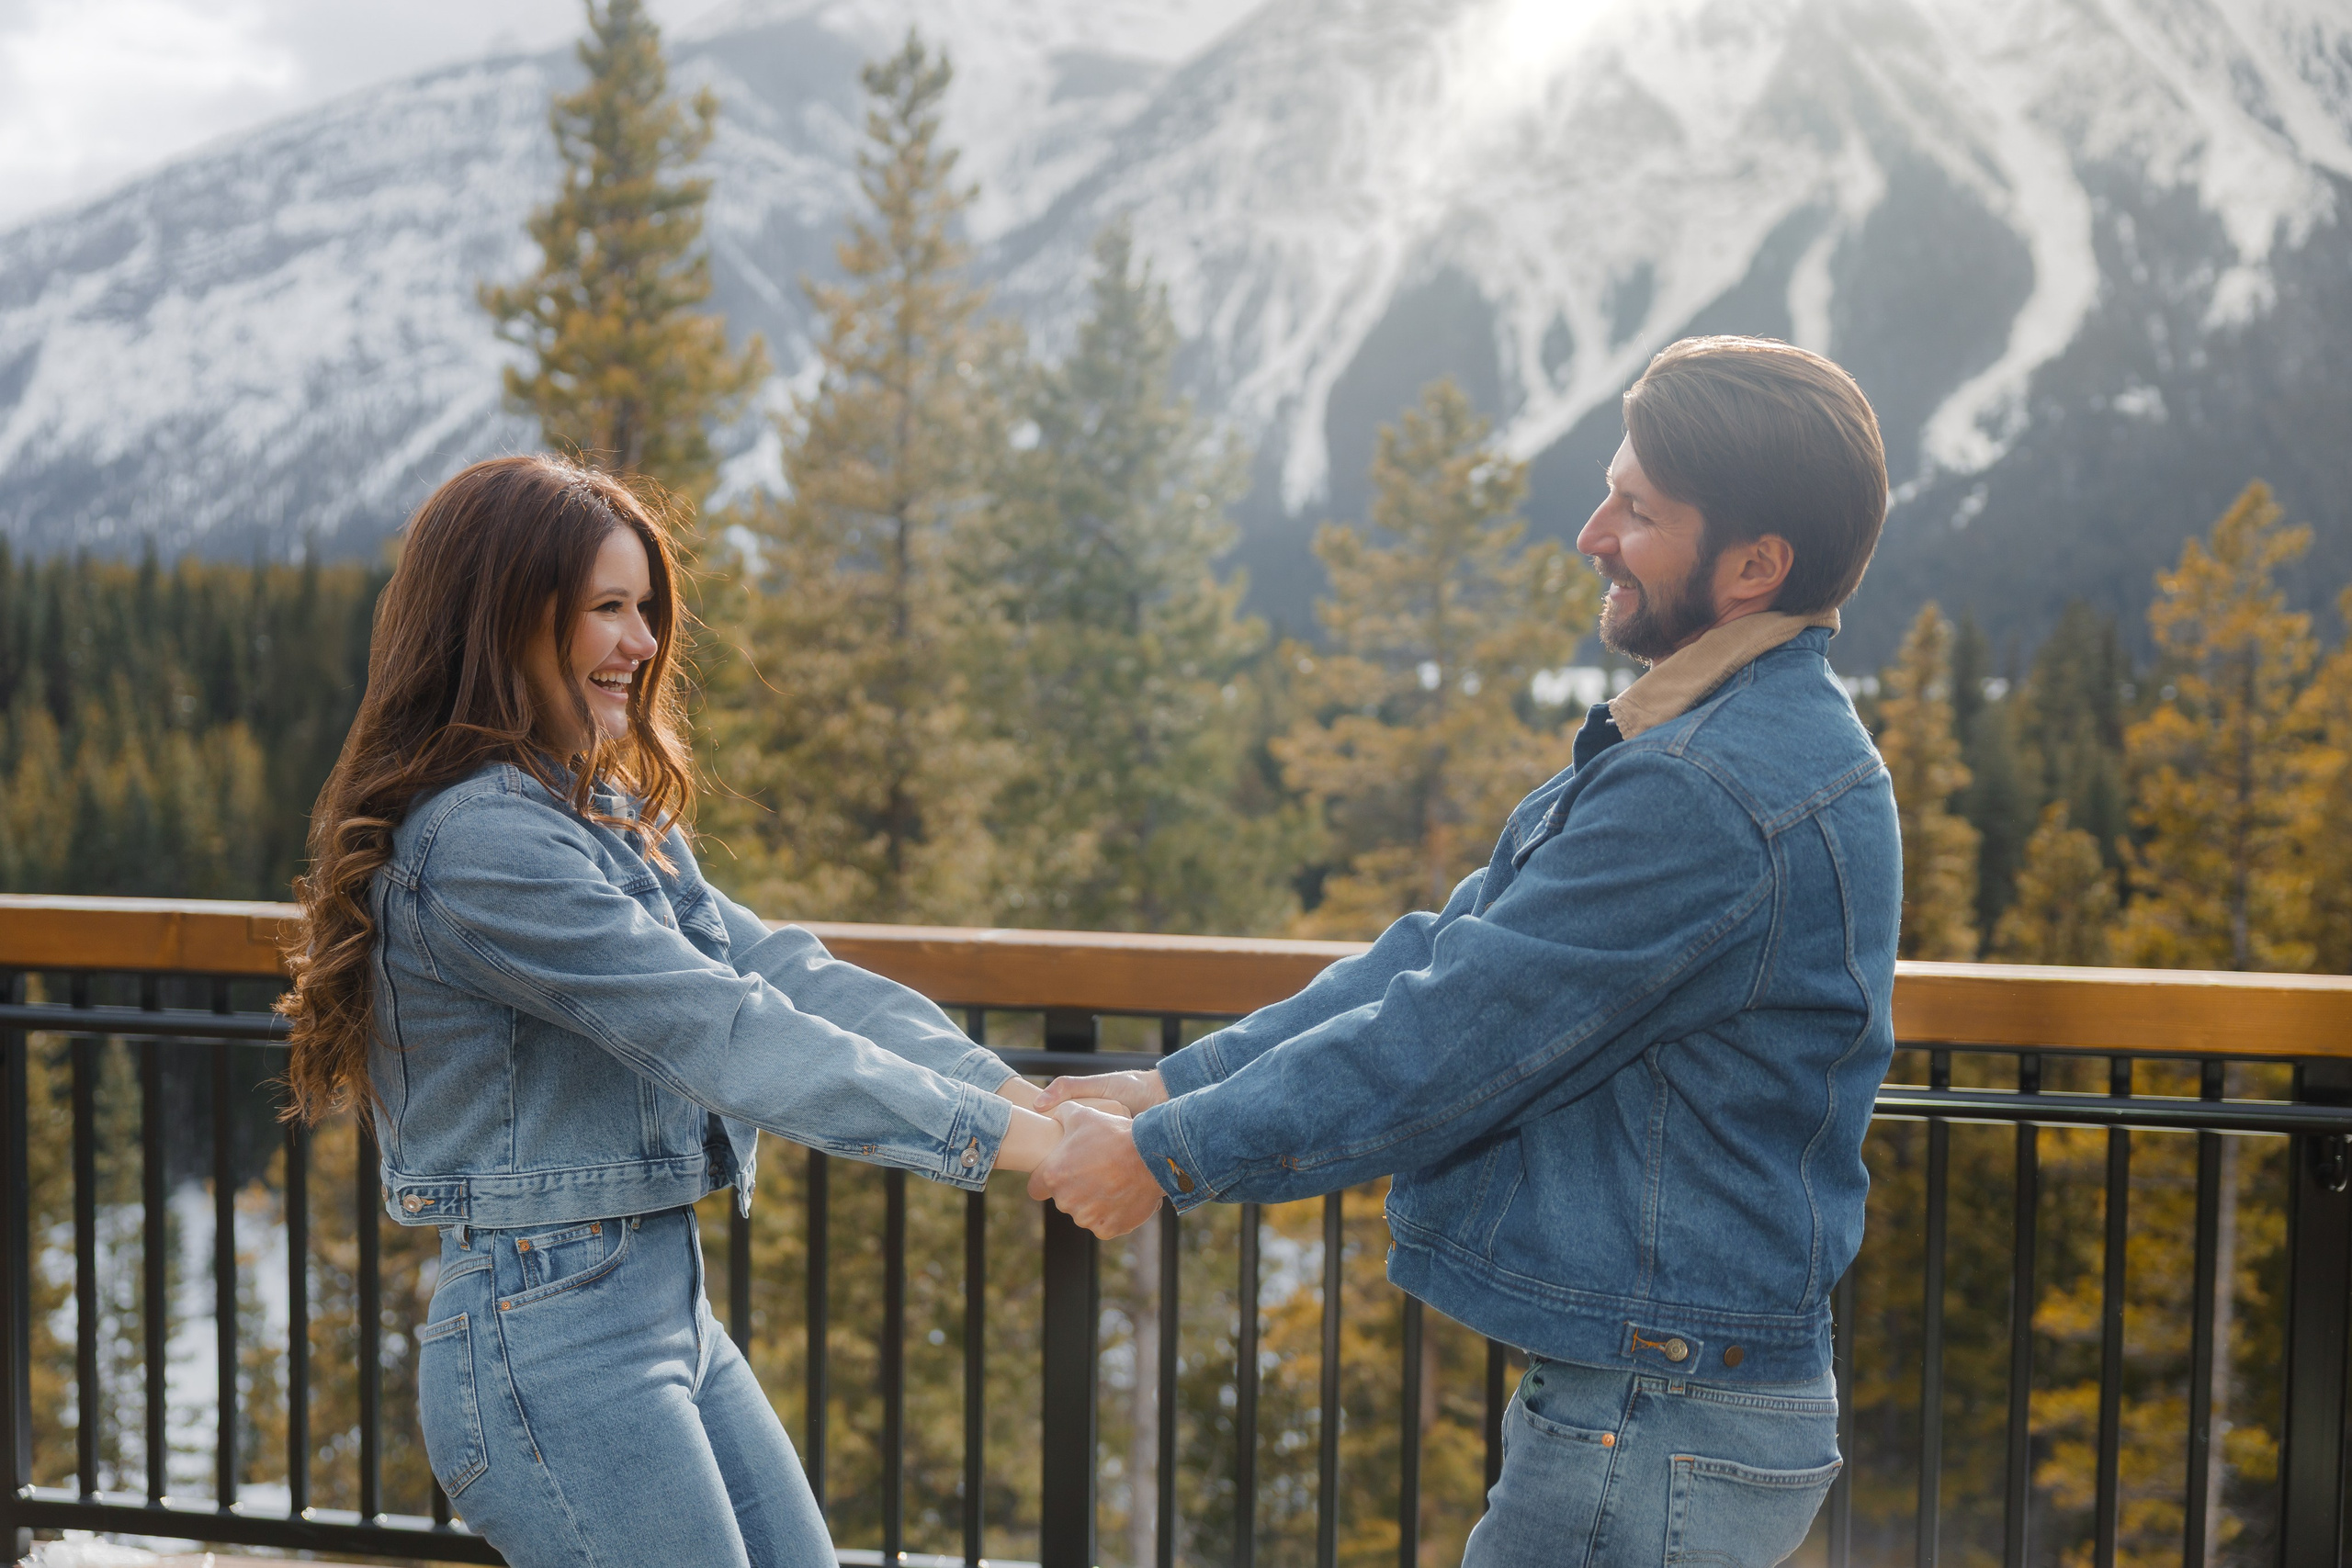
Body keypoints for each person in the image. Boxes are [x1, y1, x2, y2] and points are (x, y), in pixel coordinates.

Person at [1030, 336, 1902, 1566]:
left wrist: (1168, 1157)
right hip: (1658, 1398)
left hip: (1654, 1412)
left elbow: (1454, 1034)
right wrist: (1175, 1084)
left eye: (1638, 509)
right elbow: (1440, 953)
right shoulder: (1720, 738)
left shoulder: (1709, 787)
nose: (1593, 530)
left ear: (1756, 565)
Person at [276, 455, 1104, 1568]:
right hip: (552, 1339)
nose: (644, 643)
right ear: (502, 617)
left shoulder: (591, 811)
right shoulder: (481, 845)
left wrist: (1010, 1093)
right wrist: (1026, 1147)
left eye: (647, 610)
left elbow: (785, 975)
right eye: (608, 609)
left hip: (659, 1310)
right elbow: (723, 1030)